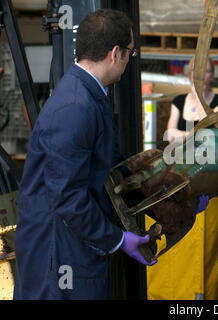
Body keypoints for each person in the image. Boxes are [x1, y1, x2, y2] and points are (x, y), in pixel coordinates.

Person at [14, 9, 157, 300]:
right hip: (58, 257)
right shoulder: (76, 107)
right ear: (116, 53)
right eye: (131, 52)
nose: (129, 60)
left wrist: (166, 193)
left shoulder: (91, 95)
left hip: (72, 248)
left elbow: (112, 169)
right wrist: (118, 240)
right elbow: (67, 197)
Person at [166, 57, 218, 144]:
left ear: (212, 75)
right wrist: (196, 136)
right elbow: (170, 136)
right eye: (195, 70)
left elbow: (208, 136)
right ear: (189, 74)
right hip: (180, 155)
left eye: (206, 71)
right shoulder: (178, 101)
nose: (200, 75)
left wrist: (200, 98)